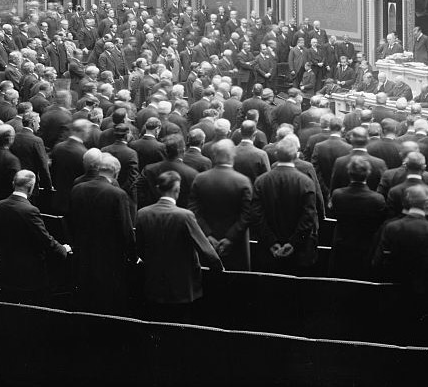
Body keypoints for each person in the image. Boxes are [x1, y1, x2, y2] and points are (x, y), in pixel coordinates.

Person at [135, 170, 223, 322]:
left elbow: (140, 249)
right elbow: (206, 250)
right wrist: (218, 268)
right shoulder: (185, 216)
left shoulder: (142, 213)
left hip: (153, 284)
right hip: (182, 287)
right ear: (177, 190)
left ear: (158, 188)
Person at [372, 185, 428, 346]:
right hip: (426, 299)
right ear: (427, 204)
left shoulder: (391, 228)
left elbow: (377, 263)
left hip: (395, 297)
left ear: (406, 202)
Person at [67, 152, 136, 314]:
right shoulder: (118, 194)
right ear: (116, 173)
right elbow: (126, 231)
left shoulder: (77, 188)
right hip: (109, 258)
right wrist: (133, 256)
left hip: (82, 255)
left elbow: (69, 221)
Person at [0, 170, 71, 306]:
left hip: (5, 268)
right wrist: (62, 249)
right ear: (31, 187)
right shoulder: (30, 210)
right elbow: (45, 240)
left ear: (13, 184)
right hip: (28, 275)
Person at [251, 134, 319, 275]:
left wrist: (271, 242)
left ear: (276, 154)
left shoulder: (261, 181)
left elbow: (257, 215)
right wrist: (293, 244)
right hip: (299, 253)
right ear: (296, 155)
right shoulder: (306, 182)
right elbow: (308, 217)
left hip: (268, 252)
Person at [188, 139, 253, 271]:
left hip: (206, 245)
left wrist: (208, 235)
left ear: (214, 156)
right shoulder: (243, 181)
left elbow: (193, 211)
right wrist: (230, 238)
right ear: (232, 156)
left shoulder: (200, 179)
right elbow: (247, 214)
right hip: (236, 246)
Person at [328, 157, 387, 280]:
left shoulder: (338, 195)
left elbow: (334, 214)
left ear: (349, 173)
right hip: (366, 249)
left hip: (342, 246)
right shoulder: (377, 199)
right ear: (368, 174)